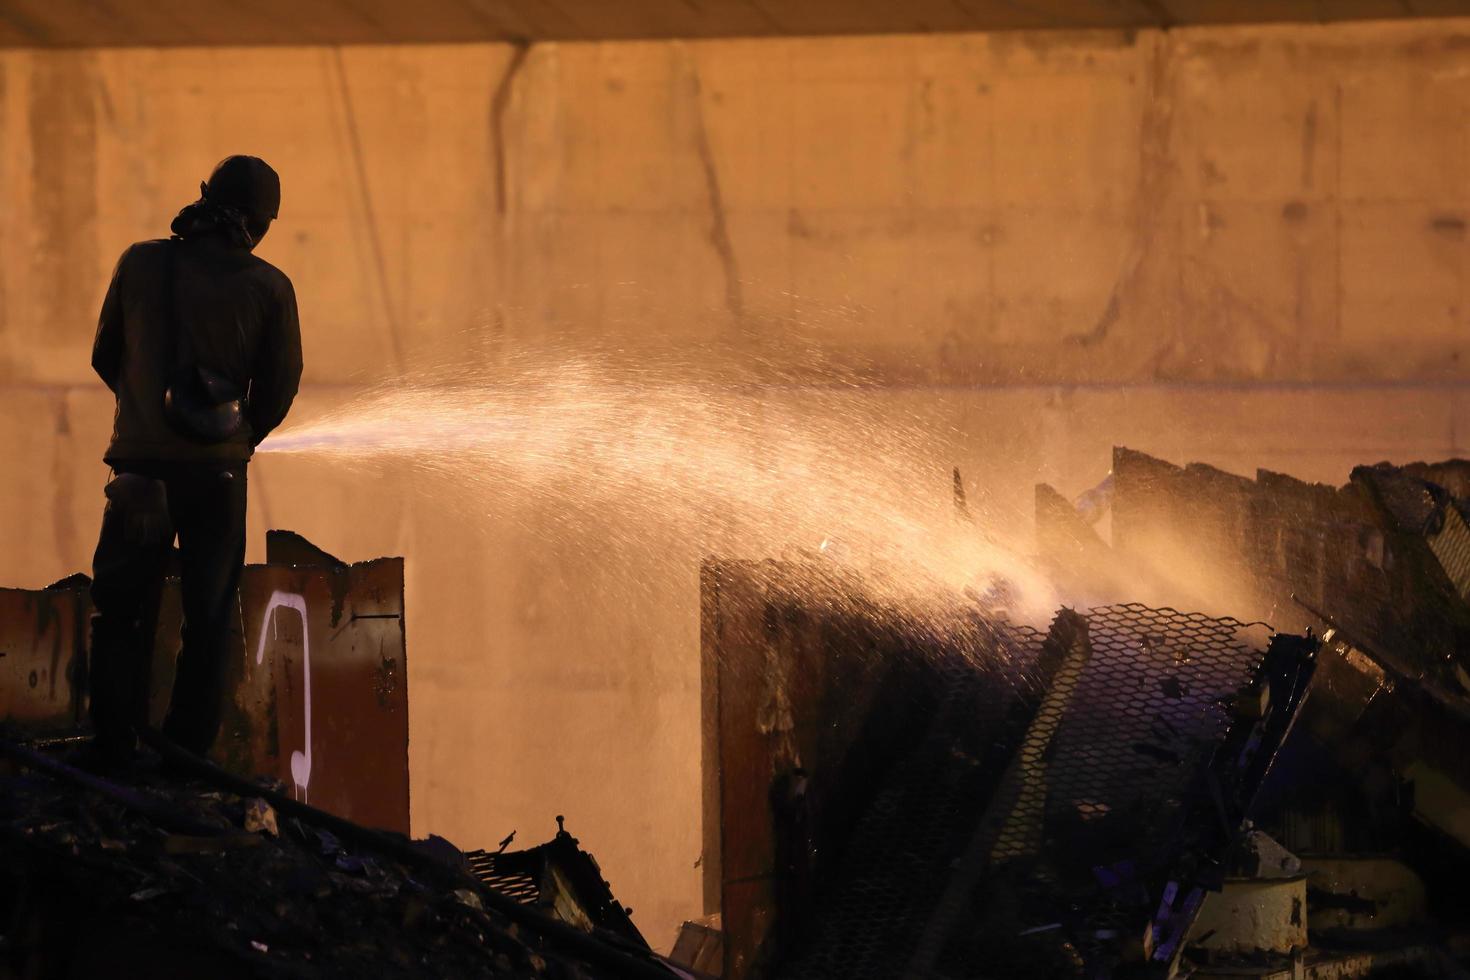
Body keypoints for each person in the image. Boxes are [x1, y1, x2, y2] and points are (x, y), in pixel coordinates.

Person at [87, 155, 302, 767]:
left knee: (121, 612)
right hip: (216, 475)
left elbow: (106, 357)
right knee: (208, 618)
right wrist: (235, 436)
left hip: (135, 474)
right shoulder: (269, 287)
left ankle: (112, 747)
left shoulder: (138, 261)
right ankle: (183, 756)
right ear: (259, 223)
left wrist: (148, 426)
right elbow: (280, 387)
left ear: (204, 197)